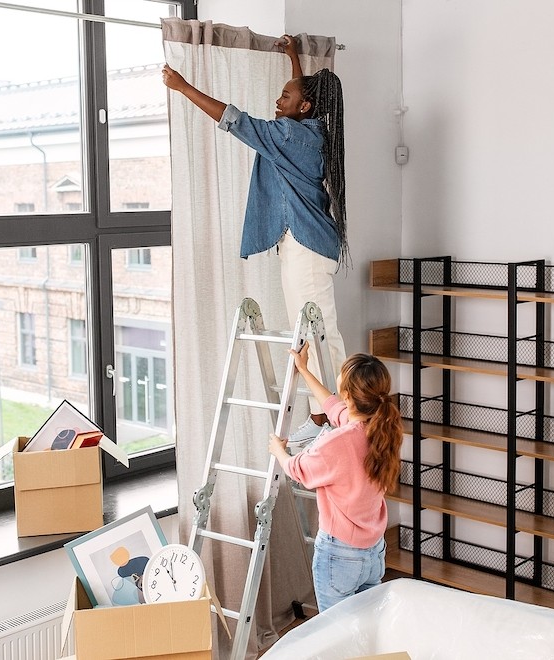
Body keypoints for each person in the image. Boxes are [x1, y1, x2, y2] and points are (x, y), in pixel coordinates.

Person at [162, 35, 348, 447]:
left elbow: (236, 120)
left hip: (307, 248)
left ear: (303, 108)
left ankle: (327, 418)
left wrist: (182, 86)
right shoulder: (309, 127)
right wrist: (294, 59)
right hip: (304, 245)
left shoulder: (290, 136)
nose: (277, 101)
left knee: (318, 332)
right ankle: (337, 412)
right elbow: (302, 99)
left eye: (285, 96)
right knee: (318, 331)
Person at [267, 343, 402, 612]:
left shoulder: (337, 442)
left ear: (349, 395)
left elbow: (298, 470)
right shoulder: (383, 431)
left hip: (340, 555)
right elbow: (333, 406)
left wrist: (278, 451)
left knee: (334, 633)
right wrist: (304, 370)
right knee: (365, 627)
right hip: (373, 552)